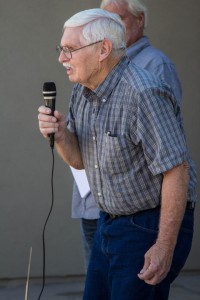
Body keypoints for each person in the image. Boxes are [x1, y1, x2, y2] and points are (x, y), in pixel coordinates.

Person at [38, 8, 197, 300]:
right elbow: (78, 160)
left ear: (104, 49)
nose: (61, 58)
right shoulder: (82, 91)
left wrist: (164, 246)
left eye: (69, 49)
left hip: (147, 225)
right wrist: (61, 135)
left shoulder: (143, 93)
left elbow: (177, 169)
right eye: (61, 49)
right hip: (107, 222)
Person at [71, 0, 183, 271]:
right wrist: (60, 132)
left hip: (138, 216)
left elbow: (172, 160)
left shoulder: (151, 70)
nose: (108, 28)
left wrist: (163, 244)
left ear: (140, 19)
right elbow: (83, 152)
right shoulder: (87, 78)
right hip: (97, 206)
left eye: (116, 20)